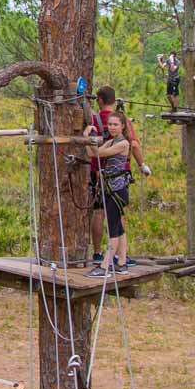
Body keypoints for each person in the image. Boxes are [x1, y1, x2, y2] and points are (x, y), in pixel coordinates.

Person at [85, 112, 135, 276]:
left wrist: (89, 139)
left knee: (113, 229)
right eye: (110, 124)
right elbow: (93, 153)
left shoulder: (123, 144)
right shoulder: (111, 141)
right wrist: (87, 137)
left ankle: (105, 266)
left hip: (117, 191)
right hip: (111, 189)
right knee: (119, 228)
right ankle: (121, 263)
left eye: (115, 124)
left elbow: (100, 154)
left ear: (122, 126)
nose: (112, 127)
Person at [91, 86, 150, 179]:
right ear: (114, 101)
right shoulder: (123, 120)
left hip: (98, 171)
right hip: (119, 173)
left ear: (100, 100)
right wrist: (141, 165)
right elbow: (134, 144)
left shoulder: (92, 120)